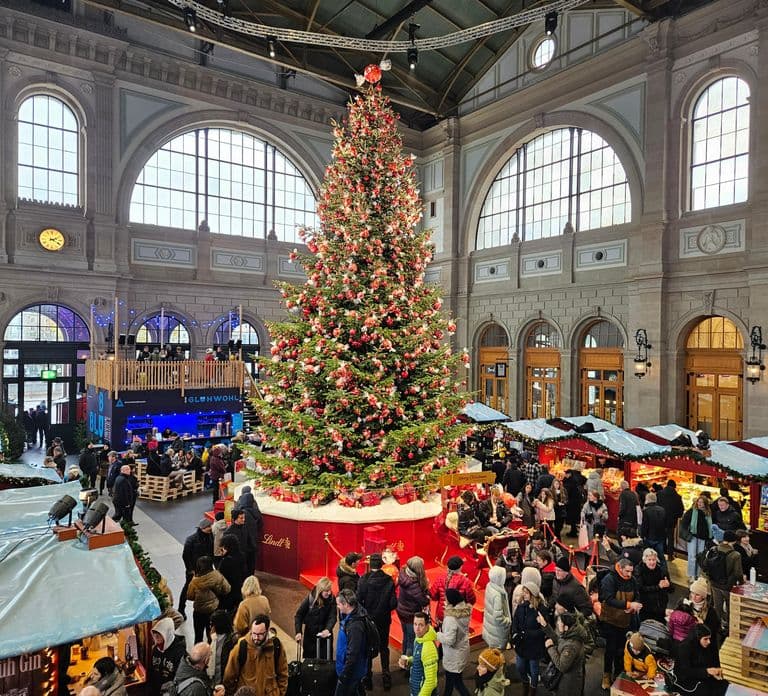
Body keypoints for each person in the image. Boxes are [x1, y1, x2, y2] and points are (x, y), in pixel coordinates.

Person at [599, 558, 642, 689]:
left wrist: (635, 606)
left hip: (625, 620)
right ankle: (606, 675)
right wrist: (629, 604)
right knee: (610, 649)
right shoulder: (609, 579)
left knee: (621, 650)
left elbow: (637, 595)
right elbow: (609, 599)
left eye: (631, 571)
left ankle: (618, 674)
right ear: (620, 568)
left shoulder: (632, 580)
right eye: (627, 571)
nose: (629, 574)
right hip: (610, 620)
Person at [357, 553, 397, 691]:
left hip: (368, 620)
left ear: (370, 565)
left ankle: (367, 678)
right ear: (381, 564)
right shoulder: (389, 580)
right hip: (384, 620)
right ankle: (386, 677)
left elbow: (358, 600)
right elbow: (393, 603)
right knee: (384, 648)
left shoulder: (363, 580)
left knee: (368, 648)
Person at [223, 615, 288, 696]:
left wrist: (281, 693)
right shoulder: (242, 646)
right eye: (254, 633)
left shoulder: (276, 645)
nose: (256, 638)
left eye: (260, 634)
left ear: (267, 631)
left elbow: (283, 673)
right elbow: (229, 675)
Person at [512, 582, 547, 695]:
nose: (524, 594)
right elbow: (515, 621)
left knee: (534, 670)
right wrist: (515, 633)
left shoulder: (541, 609)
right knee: (520, 667)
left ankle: (533, 688)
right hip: (521, 644)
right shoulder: (521, 606)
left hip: (534, 646)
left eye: (526, 592)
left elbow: (544, 630)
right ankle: (525, 683)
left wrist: (527, 634)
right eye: (524, 592)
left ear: (532, 594)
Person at [674, 624, 728, 696]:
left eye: (709, 638)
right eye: (705, 639)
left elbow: (712, 660)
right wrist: (707, 672)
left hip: (702, 674)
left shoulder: (705, 646)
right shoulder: (684, 648)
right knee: (705, 692)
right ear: (697, 638)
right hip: (686, 679)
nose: (709, 642)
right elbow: (685, 671)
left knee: (724, 685)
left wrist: (714, 672)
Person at [187, 556, 231, 643]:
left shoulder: (195, 581)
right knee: (212, 635)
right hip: (213, 610)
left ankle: (198, 653)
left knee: (198, 636)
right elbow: (227, 589)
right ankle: (210, 653)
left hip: (199, 612)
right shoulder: (217, 575)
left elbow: (189, 596)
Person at [705, 529, 743, 630]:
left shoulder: (713, 549)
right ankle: (729, 626)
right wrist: (742, 583)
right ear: (733, 541)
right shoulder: (736, 555)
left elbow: (706, 564)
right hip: (728, 585)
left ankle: (717, 626)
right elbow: (738, 573)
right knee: (731, 607)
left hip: (714, 583)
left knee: (717, 606)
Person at [437, 588, 471, 696]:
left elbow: (449, 640)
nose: (444, 600)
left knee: (457, 682)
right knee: (452, 680)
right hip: (461, 650)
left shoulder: (451, 618)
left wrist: (437, 634)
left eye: (446, 598)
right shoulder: (464, 612)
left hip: (453, 655)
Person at [334, 589, 369, 696]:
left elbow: (353, 653)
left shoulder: (355, 626)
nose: (337, 607)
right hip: (351, 671)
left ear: (346, 605)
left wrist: (345, 674)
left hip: (350, 673)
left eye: (338, 604)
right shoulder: (352, 617)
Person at [544, 612, 587, 696]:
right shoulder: (569, 634)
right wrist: (545, 626)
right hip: (564, 679)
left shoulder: (571, 646)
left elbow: (562, 666)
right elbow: (558, 640)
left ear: (566, 627)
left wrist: (550, 648)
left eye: (560, 622)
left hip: (568, 684)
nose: (558, 623)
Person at [294, 576, 337, 659]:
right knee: (311, 664)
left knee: (325, 664)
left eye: (330, 590)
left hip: (325, 640)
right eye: (326, 591)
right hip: (310, 639)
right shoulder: (310, 599)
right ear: (320, 590)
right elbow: (299, 615)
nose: (329, 593)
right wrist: (298, 631)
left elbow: (332, 617)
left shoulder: (332, 599)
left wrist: (328, 629)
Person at [429, 556, 477, 629]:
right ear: (460, 567)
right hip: (458, 615)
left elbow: (433, 595)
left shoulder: (440, 579)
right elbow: (471, 600)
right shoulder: (465, 581)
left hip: (442, 614)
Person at [180, 519, 215, 619]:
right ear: (202, 528)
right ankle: (181, 609)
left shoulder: (210, 536)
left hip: (207, 569)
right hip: (194, 570)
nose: (210, 528)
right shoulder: (191, 540)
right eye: (208, 526)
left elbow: (210, 551)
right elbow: (185, 556)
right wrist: (190, 569)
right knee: (187, 589)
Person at [396, 556, 430, 658]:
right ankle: (408, 663)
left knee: (406, 636)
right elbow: (424, 601)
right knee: (411, 639)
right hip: (410, 614)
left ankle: (403, 657)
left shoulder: (403, 574)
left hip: (401, 610)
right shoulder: (414, 586)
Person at [398, 612, 438, 696]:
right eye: (415, 624)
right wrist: (409, 660)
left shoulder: (428, 648)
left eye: (421, 625)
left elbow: (431, 682)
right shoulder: (419, 639)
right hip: (416, 690)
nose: (417, 628)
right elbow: (420, 659)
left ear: (427, 626)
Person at [148, 617, 187, 693]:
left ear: (167, 634)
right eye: (154, 633)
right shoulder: (156, 649)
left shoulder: (180, 653)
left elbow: (179, 679)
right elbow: (151, 671)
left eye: (159, 633)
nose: (156, 636)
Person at [680, 495, 713, 581]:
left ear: (705, 504)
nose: (699, 504)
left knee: (700, 557)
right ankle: (691, 575)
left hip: (703, 537)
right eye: (699, 502)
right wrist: (687, 533)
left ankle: (697, 574)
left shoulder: (708, 513)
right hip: (693, 536)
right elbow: (684, 522)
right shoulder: (692, 511)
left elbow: (710, 526)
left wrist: (710, 537)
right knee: (692, 556)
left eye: (702, 502)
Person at [634, 548, 672, 623]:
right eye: (649, 560)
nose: (652, 562)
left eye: (654, 559)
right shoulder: (639, 570)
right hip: (647, 606)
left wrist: (668, 585)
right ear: (645, 560)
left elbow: (671, 589)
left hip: (661, 604)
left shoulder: (661, 570)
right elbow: (640, 588)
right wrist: (658, 587)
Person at [482, 565, 511, 649]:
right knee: (497, 655)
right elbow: (498, 617)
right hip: (497, 631)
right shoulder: (497, 595)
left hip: (491, 627)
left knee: (492, 651)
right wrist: (508, 621)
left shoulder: (490, 585)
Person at [217, 535, 247, 614]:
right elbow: (244, 572)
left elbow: (220, 577)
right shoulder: (242, 556)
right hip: (238, 588)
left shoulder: (225, 561)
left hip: (227, 591)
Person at [223, 509, 257, 576]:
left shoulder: (245, 527)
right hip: (237, 561)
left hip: (248, 557)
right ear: (235, 518)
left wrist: (252, 550)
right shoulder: (228, 532)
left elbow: (250, 540)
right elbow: (227, 549)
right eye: (241, 518)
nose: (244, 519)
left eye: (244, 517)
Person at [208, 610, 238, 687]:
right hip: (213, 678)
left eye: (212, 624)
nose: (211, 627)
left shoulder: (232, 640)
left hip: (224, 678)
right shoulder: (213, 636)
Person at [656, 479, 684, 560]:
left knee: (661, 537)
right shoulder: (678, 497)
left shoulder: (659, 494)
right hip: (671, 521)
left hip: (660, 520)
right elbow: (681, 511)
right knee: (670, 538)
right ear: (674, 487)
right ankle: (670, 556)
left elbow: (656, 506)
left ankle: (662, 554)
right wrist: (677, 516)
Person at [640, 492, 667, 561]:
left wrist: (642, 536)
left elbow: (645, 525)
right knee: (661, 557)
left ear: (647, 500)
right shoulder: (662, 510)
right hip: (660, 537)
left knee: (649, 557)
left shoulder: (646, 511)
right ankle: (664, 571)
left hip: (650, 537)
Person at [562, 468, 586, 537]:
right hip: (576, 501)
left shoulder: (569, 482)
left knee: (572, 517)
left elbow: (567, 492)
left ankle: (573, 532)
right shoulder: (576, 480)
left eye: (566, 473)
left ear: (569, 474)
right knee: (574, 518)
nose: (565, 475)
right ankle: (574, 530)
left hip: (571, 502)